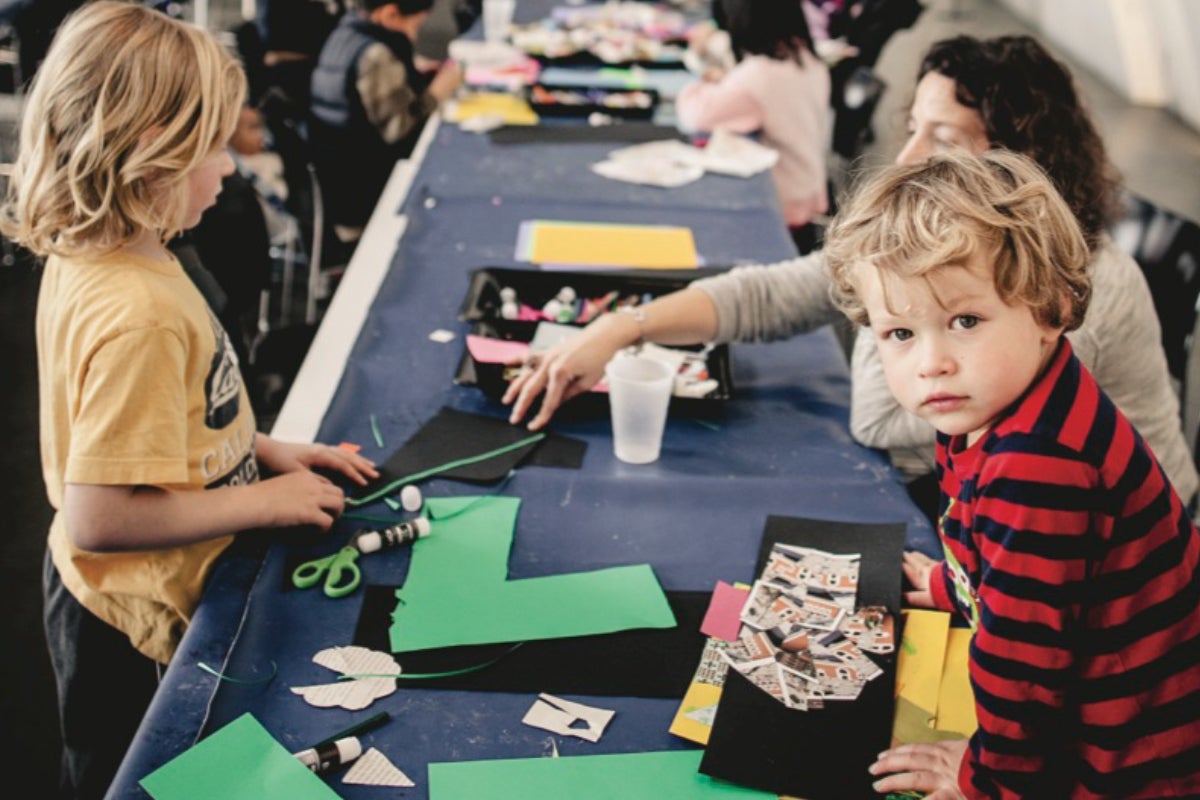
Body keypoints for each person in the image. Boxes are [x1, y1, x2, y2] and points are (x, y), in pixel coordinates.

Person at [503, 34, 1200, 513]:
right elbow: (775, 293)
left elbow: (879, 419)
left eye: (945, 139)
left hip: (1120, 556)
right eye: (914, 128)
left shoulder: (1064, 285)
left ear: (1013, 163)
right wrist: (621, 328)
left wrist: (883, 299)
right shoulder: (957, 241)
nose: (910, 155)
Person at [0, 4, 379, 797]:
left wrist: (262, 449)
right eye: (213, 148)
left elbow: (171, 413)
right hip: (128, 628)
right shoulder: (140, 312)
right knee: (136, 778)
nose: (232, 168)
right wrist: (264, 502)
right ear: (151, 159)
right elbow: (98, 518)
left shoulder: (110, 251)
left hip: (116, 593)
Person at [823, 149, 1200, 799]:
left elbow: (1022, 667)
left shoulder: (1038, 466)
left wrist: (986, 779)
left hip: (1128, 760)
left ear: (1052, 310)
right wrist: (954, 584)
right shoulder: (1006, 397)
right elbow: (1029, 570)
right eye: (900, 333)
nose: (931, 362)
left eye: (964, 321)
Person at [675, 0, 830, 254]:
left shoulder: (760, 75)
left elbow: (695, 114)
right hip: (811, 194)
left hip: (780, 206)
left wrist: (704, 81)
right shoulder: (808, 59)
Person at [308, 0, 462, 241]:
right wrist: (438, 91)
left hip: (336, 180)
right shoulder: (375, 55)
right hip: (363, 195)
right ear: (390, 14)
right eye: (416, 25)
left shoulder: (343, 33)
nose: (414, 34)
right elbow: (400, 129)